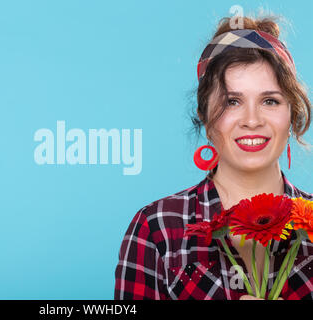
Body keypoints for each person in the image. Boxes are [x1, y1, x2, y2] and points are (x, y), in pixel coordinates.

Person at [114, 15, 313, 300]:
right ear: (205, 119)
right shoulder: (156, 229)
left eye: (270, 101)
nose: (252, 120)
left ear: (292, 115)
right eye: (232, 101)